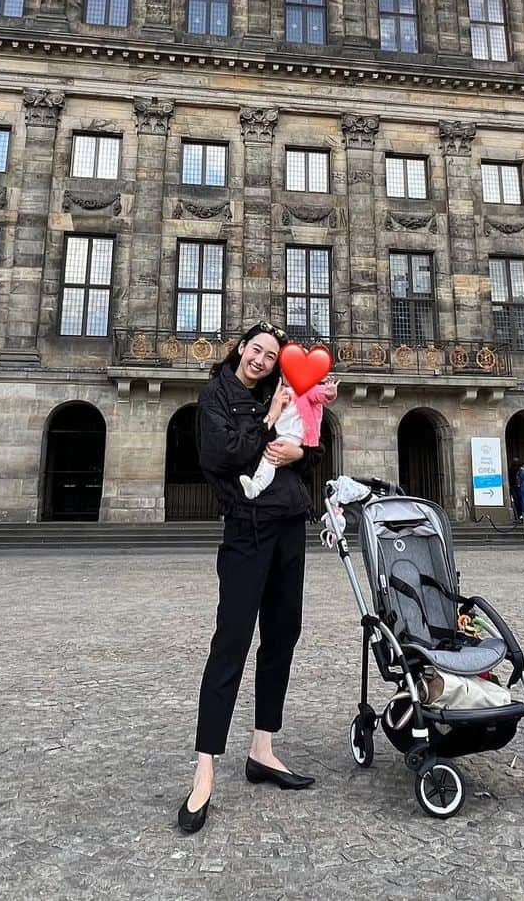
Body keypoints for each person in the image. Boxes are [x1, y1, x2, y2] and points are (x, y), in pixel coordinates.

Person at [178, 322, 318, 837]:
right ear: (240, 349)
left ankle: (263, 749)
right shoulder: (215, 396)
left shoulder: (281, 389)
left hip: (288, 526)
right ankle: (204, 770)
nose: (262, 360)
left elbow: (314, 450)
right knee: (232, 642)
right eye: (256, 350)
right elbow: (221, 456)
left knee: (282, 637)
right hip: (247, 530)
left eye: (270, 354)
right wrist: (269, 425)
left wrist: (298, 453)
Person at [239, 374, 338, 500]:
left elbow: (321, 395)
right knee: (269, 458)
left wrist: (329, 391)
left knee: (269, 459)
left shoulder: (306, 390)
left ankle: (256, 487)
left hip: (293, 436)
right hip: (284, 435)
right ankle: (255, 486)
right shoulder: (281, 390)